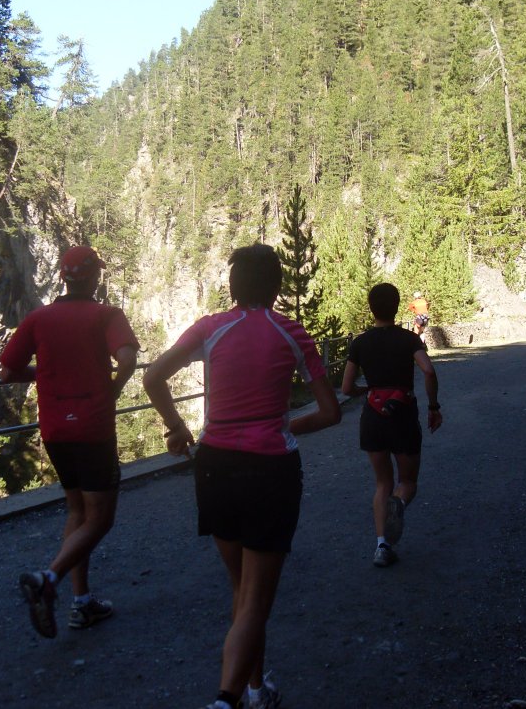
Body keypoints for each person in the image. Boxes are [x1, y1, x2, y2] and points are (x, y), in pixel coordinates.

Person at [142, 244, 341, 709]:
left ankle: (255, 689)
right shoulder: (292, 332)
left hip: (214, 465)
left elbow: (153, 378)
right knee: (254, 599)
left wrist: (177, 428)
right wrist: (285, 426)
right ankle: (226, 698)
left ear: (232, 287)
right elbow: (331, 412)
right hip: (270, 469)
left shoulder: (210, 327)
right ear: (276, 287)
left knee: (242, 590)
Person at [0, 245, 139, 639]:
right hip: (93, 428)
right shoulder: (106, 315)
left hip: (55, 430)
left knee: (77, 511)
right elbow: (127, 359)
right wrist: (111, 391)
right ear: (94, 277)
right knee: (101, 519)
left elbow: (7, 372)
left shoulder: (39, 318)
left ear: (63, 277)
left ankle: (81, 603)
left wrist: (44, 373)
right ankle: (48, 579)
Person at [341, 283, 442, 568]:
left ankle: (382, 546)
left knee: (382, 482)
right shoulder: (409, 339)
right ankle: (398, 502)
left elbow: (346, 388)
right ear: (397, 307)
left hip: (373, 416)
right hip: (402, 414)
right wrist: (434, 407)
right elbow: (428, 371)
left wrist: (366, 391)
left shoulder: (359, 343)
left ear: (371, 308)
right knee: (407, 482)